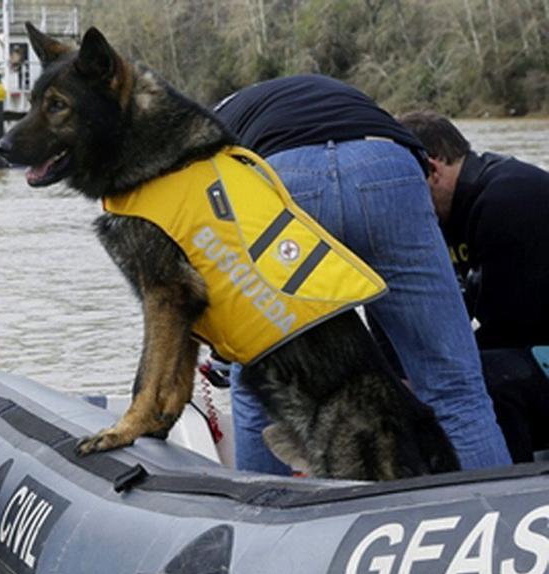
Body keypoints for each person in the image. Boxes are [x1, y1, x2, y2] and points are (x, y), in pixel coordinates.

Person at [212, 74, 510, 474]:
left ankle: (263, 515)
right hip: (387, 166)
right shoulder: (333, 93)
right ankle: (492, 518)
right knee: (457, 389)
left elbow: (205, 240)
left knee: (258, 393)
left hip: (282, 177)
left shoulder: (210, 125)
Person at [397, 111, 549, 461]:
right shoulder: (451, 214)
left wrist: (424, 375)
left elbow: (508, 326)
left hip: (534, 345)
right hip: (535, 348)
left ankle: (509, 490)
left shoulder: (509, 199)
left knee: (480, 379)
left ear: (432, 171)